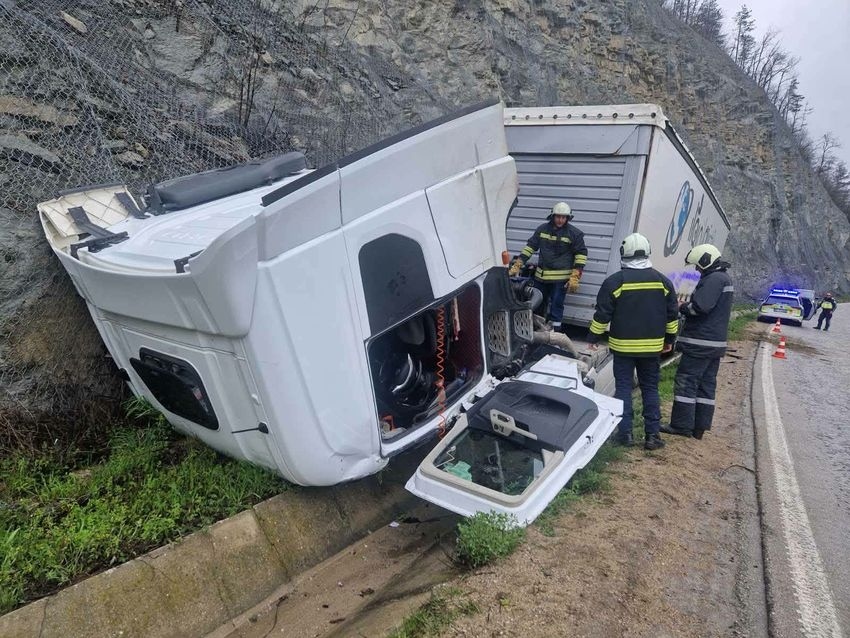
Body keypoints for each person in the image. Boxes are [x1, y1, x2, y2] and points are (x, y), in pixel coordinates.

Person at [587, 233, 679, 450]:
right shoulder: (664, 282)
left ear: (624, 253)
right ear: (647, 252)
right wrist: (669, 340)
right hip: (652, 348)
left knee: (623, 388)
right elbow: (672, 316)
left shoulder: (614, 282)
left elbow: (602, 315)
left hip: (623, 347)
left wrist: (593, 338)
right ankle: (652, 436)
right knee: (650, 388)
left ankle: (625, 434)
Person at [662, 244, 733, 440]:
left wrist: (682, 306)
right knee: (705, 385)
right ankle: (699, 427)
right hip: (714, 345)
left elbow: (700, 307)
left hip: (700, 344)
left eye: (698, 266)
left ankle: (681, 425)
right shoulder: (724, 278)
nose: (697, 270)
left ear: (705, 261)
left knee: (686, 382)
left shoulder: (713, 279)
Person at [509, 201, 588, 332]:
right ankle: (535, 329)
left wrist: (575, 277)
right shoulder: (542, 230)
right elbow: (530, 248)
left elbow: (581, 255)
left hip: (560, 280)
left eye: (563, 217)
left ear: (568, 218)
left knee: (556, 305)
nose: (560, 220)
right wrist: (518, 264)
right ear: (552, 216)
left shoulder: (575, 234)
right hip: (541, 278)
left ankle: (555, 333)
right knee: (537, 302)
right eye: (558, 216)